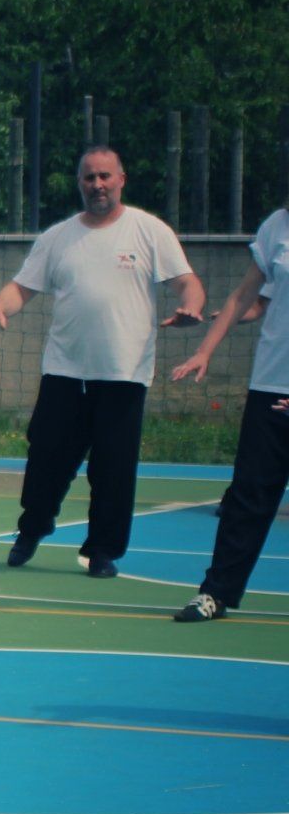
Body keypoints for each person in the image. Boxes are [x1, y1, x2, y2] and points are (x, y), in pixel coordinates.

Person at [0, 146, 204, 577]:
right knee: (46, 460)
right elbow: (21, 288)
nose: (97, 185)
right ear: (80, 183)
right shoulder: (57, 238)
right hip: (65, 373)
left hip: (124, 374)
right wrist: (0, 306)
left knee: (113, 470)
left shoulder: (150, 231)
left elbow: (187, 283)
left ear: (121, 180)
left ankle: (102, 552)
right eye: (89, 177)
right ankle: (32, 530)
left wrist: (191, 307)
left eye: (105, 176)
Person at [169, 197, 289, 622]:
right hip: (271, 387)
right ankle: (215, 593)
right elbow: (242, 297)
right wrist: (205, 350)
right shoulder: (277, 225)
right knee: (248, 497)